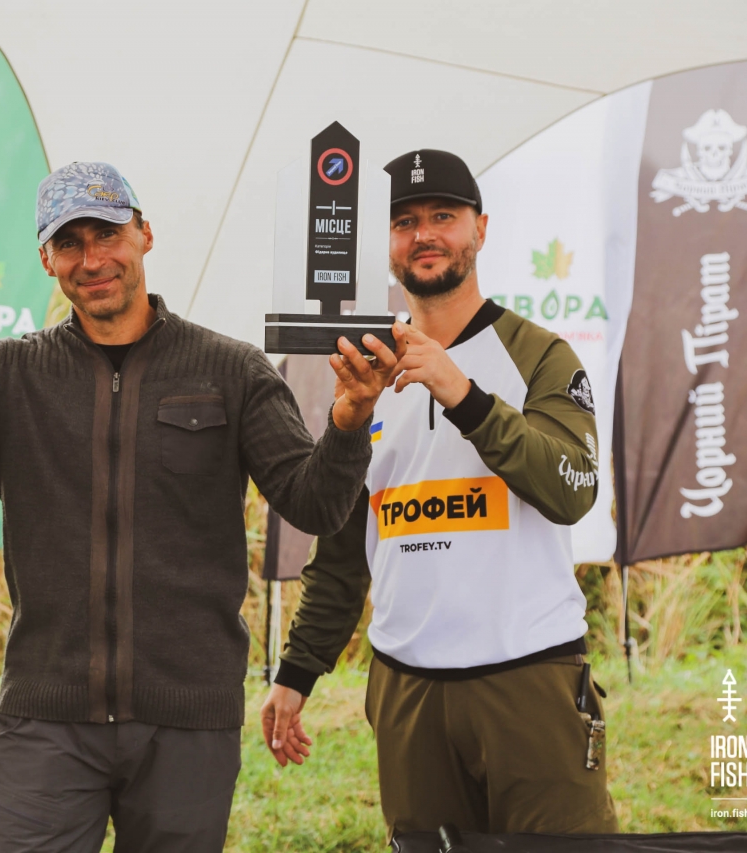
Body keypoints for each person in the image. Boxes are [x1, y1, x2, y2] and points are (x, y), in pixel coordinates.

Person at [0, 152, 394, 852]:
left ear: (144, 235)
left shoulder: (232, 369)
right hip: (47, 720)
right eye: (69, 242)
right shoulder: (6, 373)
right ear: (47, 260)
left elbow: (315, 506)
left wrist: (348, 422)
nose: (92, 259)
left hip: (189, 722)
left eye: (107, 234)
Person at [260, 149, 618, 837]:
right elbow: (344, 549)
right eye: (404, 222)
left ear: (480, 228)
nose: (424, 234)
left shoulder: (540, 355)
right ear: (387, 243)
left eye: (443, 216)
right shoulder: (367, 369)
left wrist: (464, 394)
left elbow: (571, 490)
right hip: (408, 688)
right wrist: (297, 671)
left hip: (529, 676)